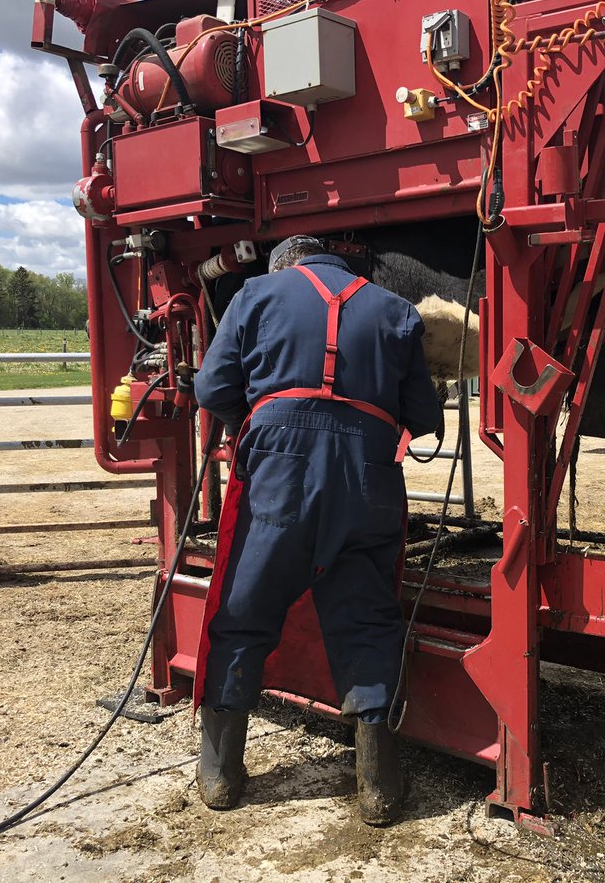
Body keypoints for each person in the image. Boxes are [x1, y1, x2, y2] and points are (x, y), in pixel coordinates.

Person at [192, 234, 442, 825]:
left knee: (244, 609)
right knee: (367, 614)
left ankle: (221, 776)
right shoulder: (395, 310)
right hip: (369, 479)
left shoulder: (254, 294)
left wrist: (259, 424)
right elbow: (426, 417)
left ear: (287, 266)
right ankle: (379, 789)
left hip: (279, 472)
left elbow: (210, 388)